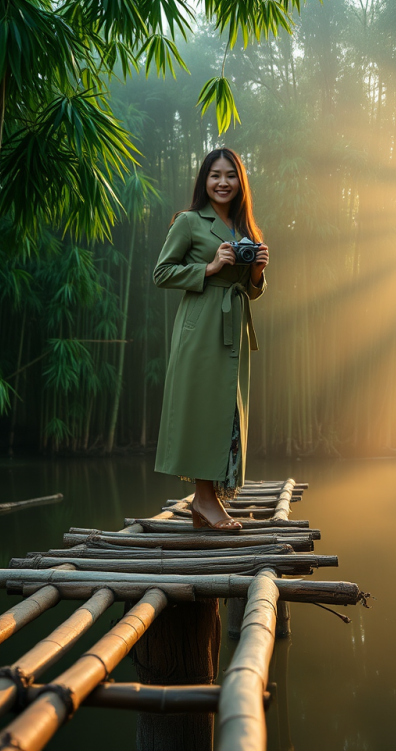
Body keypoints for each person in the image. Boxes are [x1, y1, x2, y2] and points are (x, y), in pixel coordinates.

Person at [153, 148, 269, 530]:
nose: (223, 182)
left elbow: (250, 291)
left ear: (241, 182)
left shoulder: (245, 229)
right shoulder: (188, 222)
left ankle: (210, 501)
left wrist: (256, 272)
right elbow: (162, 273)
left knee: (228, 415)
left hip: (233, 327)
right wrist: (210, 266)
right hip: (201, 328)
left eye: (230, 175)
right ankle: (204, 502)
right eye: (215, 175)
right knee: (205, 411)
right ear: (204, 181)